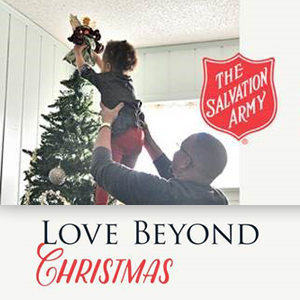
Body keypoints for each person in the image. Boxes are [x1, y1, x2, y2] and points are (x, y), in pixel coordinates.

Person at [90, 102, 229, 205]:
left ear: (186, 162)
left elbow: (101, 167)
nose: (176, 151)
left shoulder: (160, 193)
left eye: (180, 148)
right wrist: (148, 140)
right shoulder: (219, 200)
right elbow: (171, 173)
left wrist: (106, 122)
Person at [74, 40, 144, 205]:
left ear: (107, 65)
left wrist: (78, 53)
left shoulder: (104, 80)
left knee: (105, 174)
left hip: (120, 135)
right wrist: (94, 54)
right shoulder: (127, 80)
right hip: (137, 136)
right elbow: (106, 69)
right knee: (127, 176)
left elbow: (84, 70)